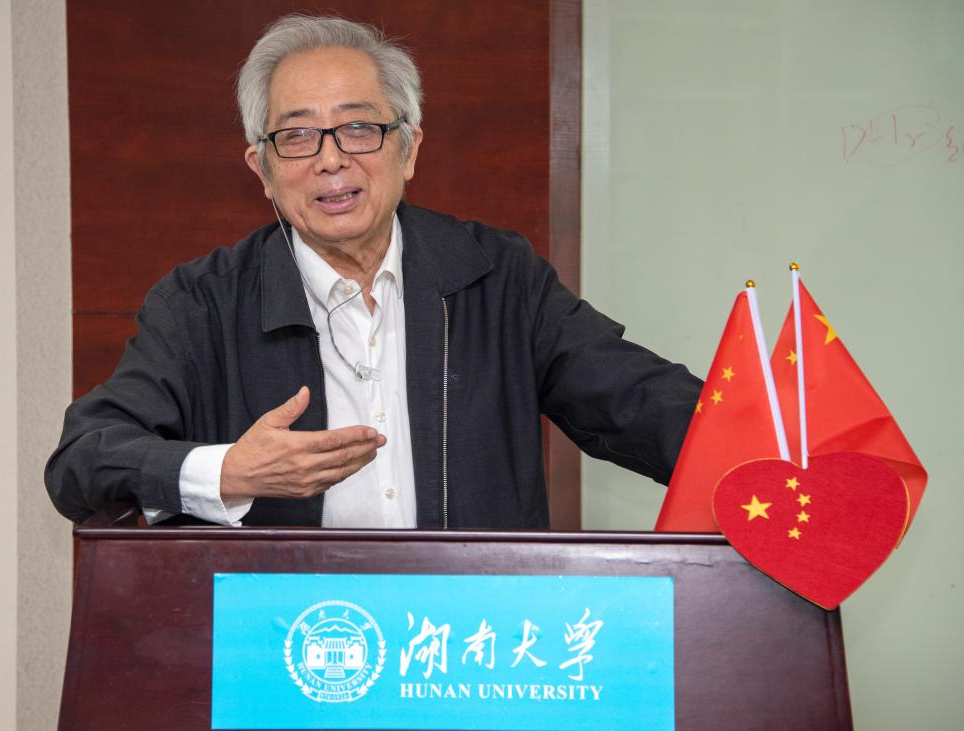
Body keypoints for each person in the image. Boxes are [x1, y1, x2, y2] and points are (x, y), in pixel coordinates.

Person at [45, 14, 702, 529]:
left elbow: (637, 403)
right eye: (297, 136)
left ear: (408, 149)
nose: (331, 160)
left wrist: (757, 441)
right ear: (262, 170)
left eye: (359, 128)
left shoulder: (497, 278)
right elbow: (82, 459)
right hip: (285, 640)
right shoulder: (202, 303)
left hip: (472, 635)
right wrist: (230, 472)